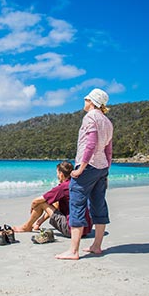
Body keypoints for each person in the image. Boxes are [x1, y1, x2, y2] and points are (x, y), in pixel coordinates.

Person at [56, 88, 113, 260]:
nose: (84, 100)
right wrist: (106, 170)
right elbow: (108, 150)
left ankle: (73, 251)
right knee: (98, 203)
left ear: (93, 102)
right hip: (101, 167)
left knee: (77, 204)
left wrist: (81, 168)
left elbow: (91, 143)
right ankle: (96, 246)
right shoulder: (107, 122)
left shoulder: (90, 117)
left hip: (87, 166)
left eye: (87, 98)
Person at [12, 161, 92, 239]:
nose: (57, 175)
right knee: (56, 201)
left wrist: (33, 206)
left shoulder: (63, 187)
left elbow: (36, 201)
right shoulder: (77, 183)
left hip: (73, 230)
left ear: (61, 175)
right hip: (86, 229)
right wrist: (39, 222)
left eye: (57, 173)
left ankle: (27, 227)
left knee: (41, 203)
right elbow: (55, 205)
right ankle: (38, 223)